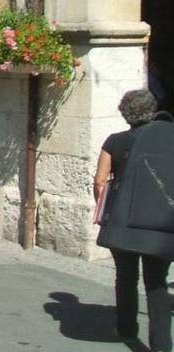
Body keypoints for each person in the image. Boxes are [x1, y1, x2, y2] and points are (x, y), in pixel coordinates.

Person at [94, 89, 171, 351]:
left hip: (124, 219)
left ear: (125, 114)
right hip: (160, 221)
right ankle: (161, 344)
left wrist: (106, 210)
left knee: (126, 277)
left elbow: (100, 181)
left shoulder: (114, 141)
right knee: (157, 282)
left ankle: (127, 329)